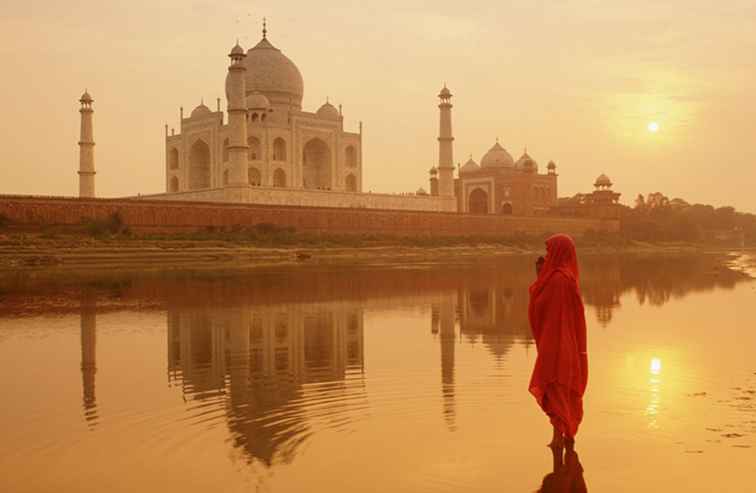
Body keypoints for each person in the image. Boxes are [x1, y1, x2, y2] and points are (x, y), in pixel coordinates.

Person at [528, 234, 588, 448]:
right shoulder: (566, 277)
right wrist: (540, 276)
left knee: (557, 385)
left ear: (559, 252)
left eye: (549, 252)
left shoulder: (559, 279)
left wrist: (540, 279)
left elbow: (542, 304)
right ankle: (564, 436)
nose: (546, 256)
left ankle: (561, 437)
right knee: (559, 386)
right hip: (563, 343)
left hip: (557, 344)